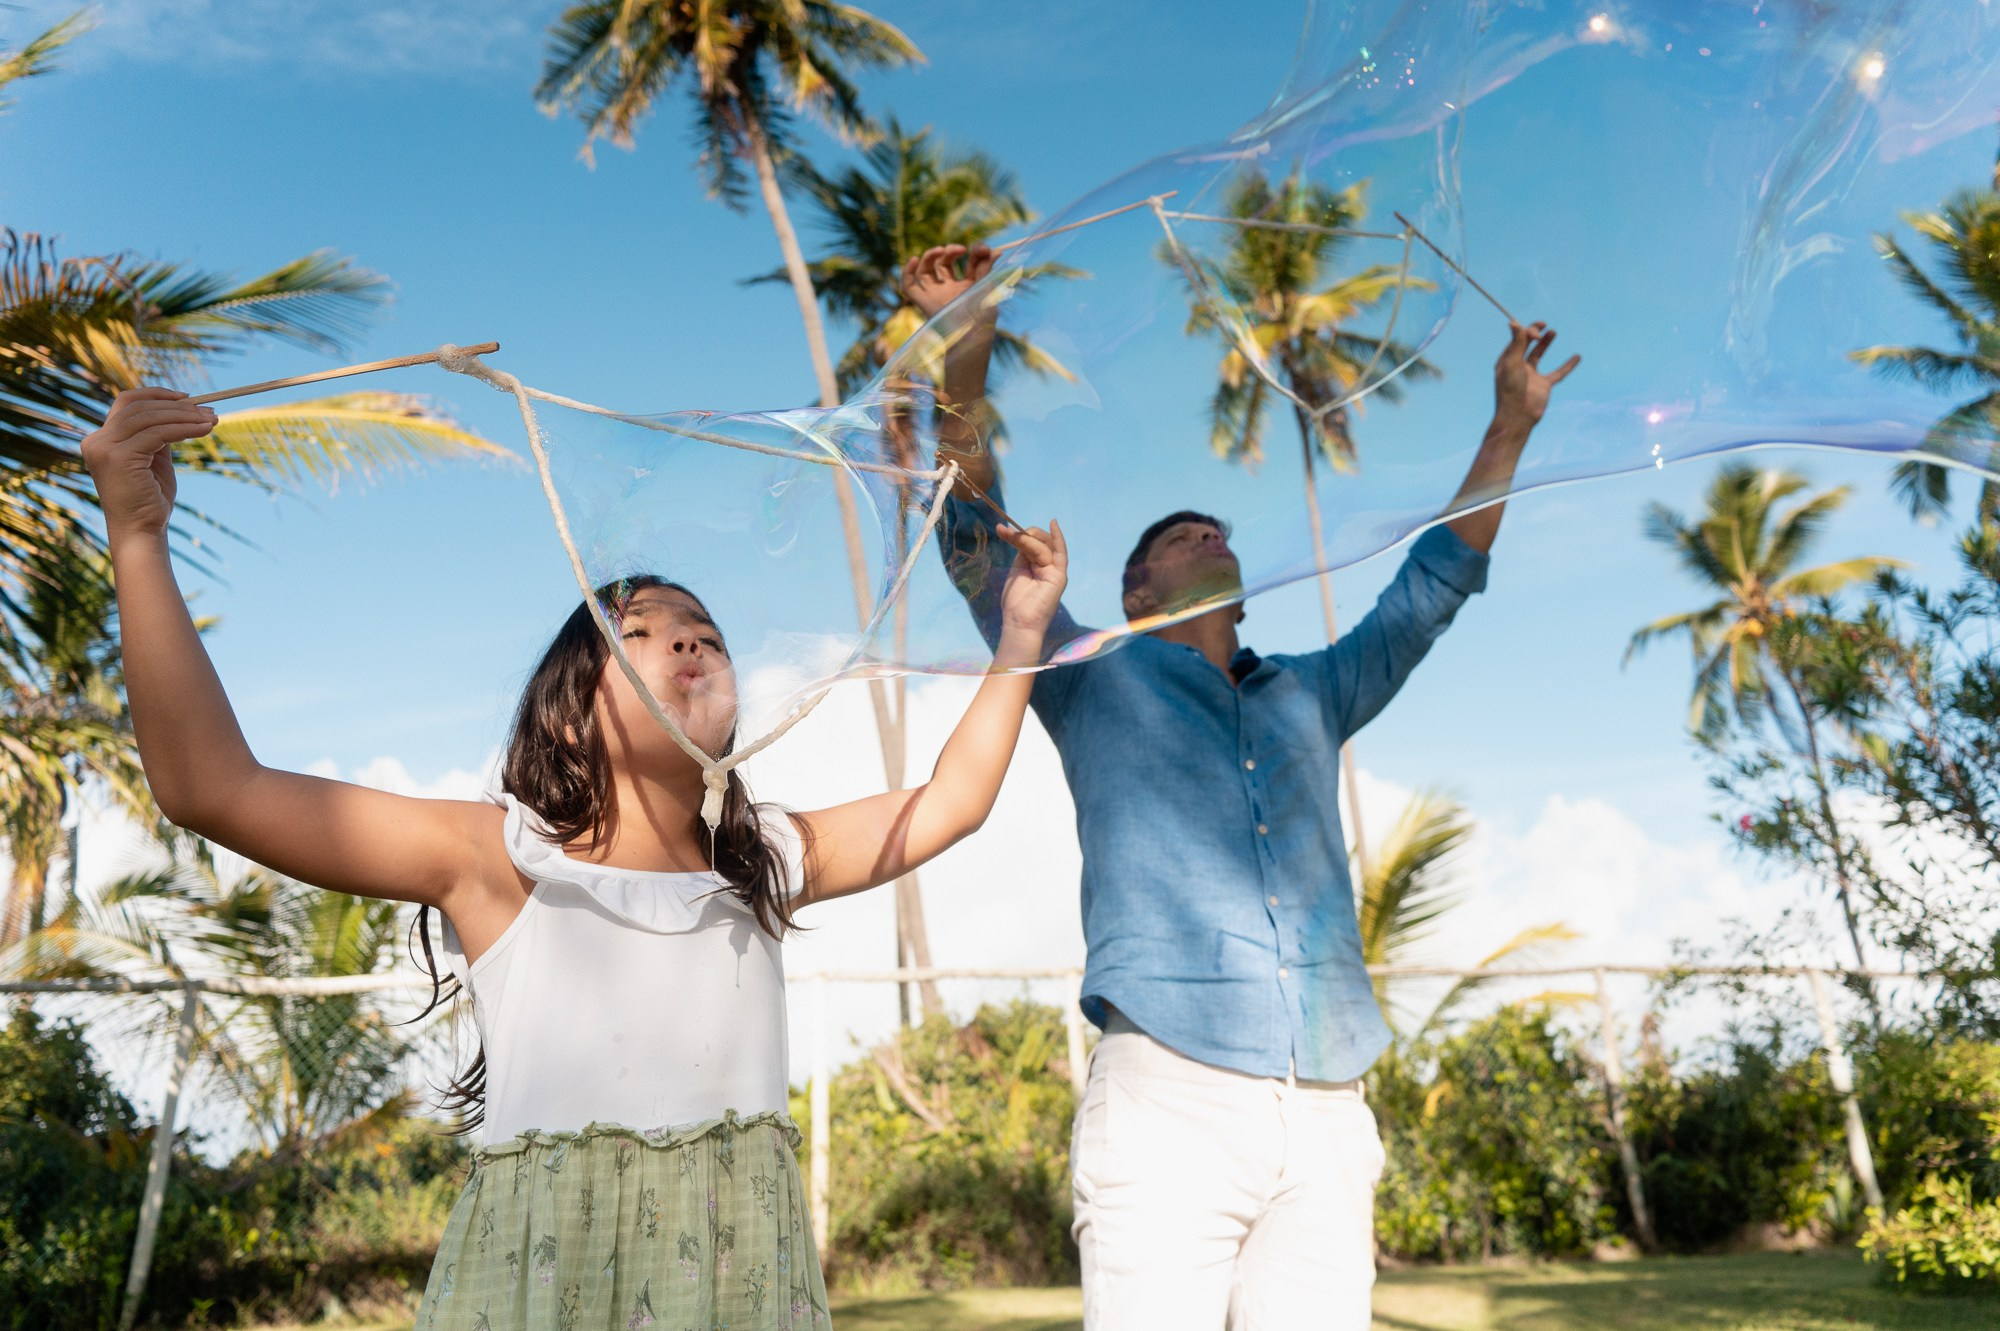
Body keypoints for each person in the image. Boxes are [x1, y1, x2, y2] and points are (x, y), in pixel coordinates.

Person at [82, 388, 1069, 1331]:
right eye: (639, 632)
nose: (687, 643)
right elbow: (212, 785)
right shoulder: (496, 857)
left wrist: (1019, 631)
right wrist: (137, 536)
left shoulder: (762, 860)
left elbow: (950, 801)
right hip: (542, 1278)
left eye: (706, 635)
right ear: (565, 708)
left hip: (735, 1278)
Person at [902, 242, 1579, 1331]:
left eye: (1212, 528)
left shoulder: (1314, 689)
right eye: (1178, 536)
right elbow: (973, 540)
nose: (1205, 529)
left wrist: (1510, 422)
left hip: (1329, 1099)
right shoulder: (1088, 672)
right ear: (1137, 588)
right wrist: (965, 348)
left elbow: (1430, 588)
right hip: (1165, 1091)